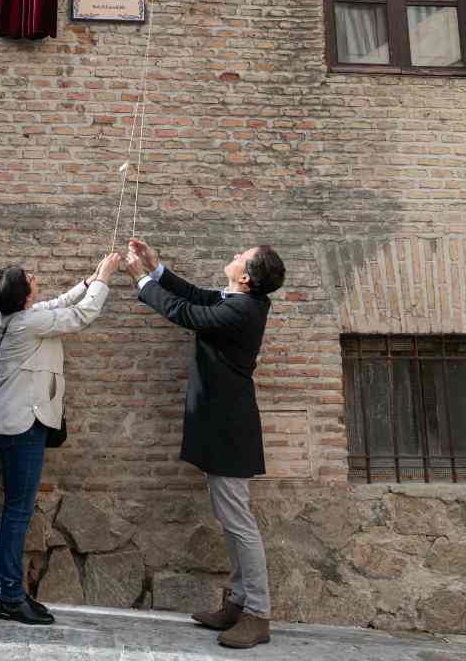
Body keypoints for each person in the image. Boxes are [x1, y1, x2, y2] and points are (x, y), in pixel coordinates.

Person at [124, 237, 285, 650]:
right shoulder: (240, 301)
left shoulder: (241, 309)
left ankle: (258, 614)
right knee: (232, 521)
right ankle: (237, 602)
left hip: (229, 429)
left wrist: (142, 282)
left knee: (239, 524)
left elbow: (184, 312)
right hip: (224, 425)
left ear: (246, 278)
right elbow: (195, 295)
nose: (232, 256)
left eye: (239, 257)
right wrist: (156, 268)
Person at [0, 252, 122, 625]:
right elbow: (79, 316)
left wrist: (91, 279)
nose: (34, 276)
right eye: (28, 275)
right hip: (21, 427)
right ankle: (10, 596)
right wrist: (106, 279)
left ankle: (9, 594)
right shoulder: (28, 323)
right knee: (18, 512)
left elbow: (58, 304)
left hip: (15, 424)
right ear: (23, 294)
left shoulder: (19, 316)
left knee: (16, 511)